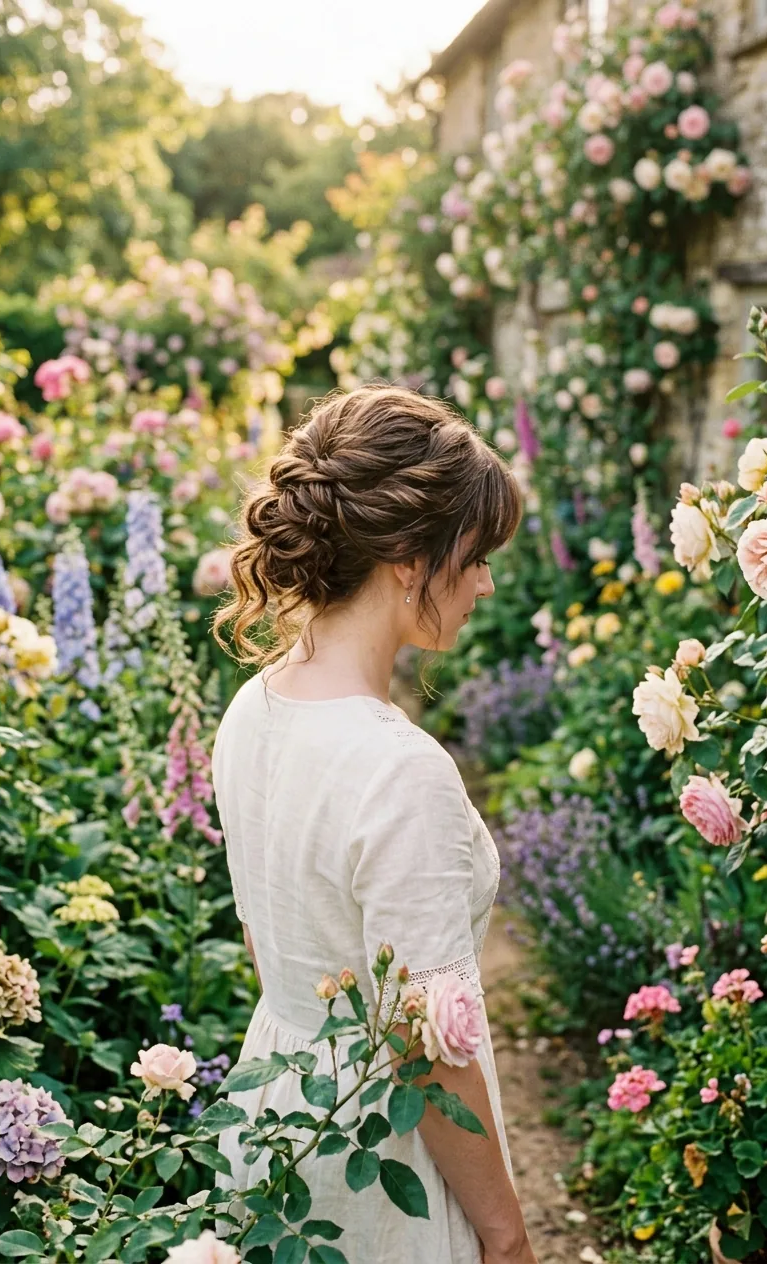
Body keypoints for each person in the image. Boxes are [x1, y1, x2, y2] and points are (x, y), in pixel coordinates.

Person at [211, 384, 537, 1263]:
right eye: (473, 557)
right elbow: (429, 1059)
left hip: (275, 1118)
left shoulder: (252, 706)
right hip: (380, 1158)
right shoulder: (400, 771)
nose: (485, 582)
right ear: (405, 558)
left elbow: (272, 946)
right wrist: (506, 1240)